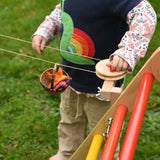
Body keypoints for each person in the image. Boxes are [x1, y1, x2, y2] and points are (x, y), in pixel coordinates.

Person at [32, 0, 157, 159]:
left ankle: (106, 156)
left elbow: (145, 15)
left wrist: (128, 51)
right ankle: (68, 153)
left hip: (102, 85)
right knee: (70, 121)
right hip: (69, 77)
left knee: (103, 132)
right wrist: (45, 30)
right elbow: (62, 11)